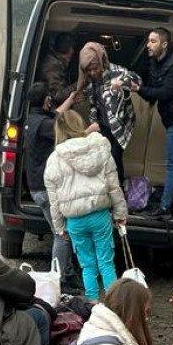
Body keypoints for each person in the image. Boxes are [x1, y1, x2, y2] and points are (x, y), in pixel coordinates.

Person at [43, 110, 127, 301]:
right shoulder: (100, 149)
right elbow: (114, 187)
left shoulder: (54, 159)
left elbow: (54, 200)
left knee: (87, 265)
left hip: (75, 221)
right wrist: (120, 213)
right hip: (99, 215)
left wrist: (59, 227)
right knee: (107, 263)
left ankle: (91, 303)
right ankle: (113, 304)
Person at [23, 82, 79, 292]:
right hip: (46, 189)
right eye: (49, 98)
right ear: (45, 100)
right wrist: (89, 131)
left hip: (36, 187)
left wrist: (70, 100)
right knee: (62, 233)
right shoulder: (45, 126)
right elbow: (69, 132)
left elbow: (55, 115)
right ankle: (60, 280)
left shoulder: (32, 119)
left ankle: (68, 273)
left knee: (64, 231)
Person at [136, 27, 173, 218]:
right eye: (148, 41)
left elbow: (164, 93)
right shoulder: (155, 62)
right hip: (171, 122)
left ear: (164, 44)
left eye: (153, 41)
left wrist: (139, 89)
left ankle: (166, 209)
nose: (148, 45)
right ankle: (170, 203)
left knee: (172, 166)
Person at [74, 41, 141, 186]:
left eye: (95, 68)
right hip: (101, 124)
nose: (92, 72)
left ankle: (118, 190)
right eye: (88, 70)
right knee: (101, 158)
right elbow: (93, 102)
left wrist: (122, 83)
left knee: (115, 159)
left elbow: (138, 81)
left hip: (119, 124)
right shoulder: (88, 79)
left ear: (102, 61)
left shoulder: (117, 72)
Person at [38, 31, 77, 107]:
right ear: (70, 50)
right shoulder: (53, 65)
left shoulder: (55, 62)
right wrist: (79, 84)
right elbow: (57, 96)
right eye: (72, 48)